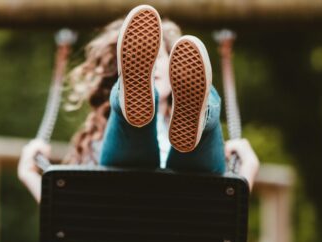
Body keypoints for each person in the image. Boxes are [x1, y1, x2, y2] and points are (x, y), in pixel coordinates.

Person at [18, 5, 259, 202]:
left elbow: (69, 219)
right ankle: (131, 108)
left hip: (179, 203)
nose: (152, 66)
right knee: (128, 133)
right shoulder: (96, 140)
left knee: (197, 143)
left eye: (157, 57)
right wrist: (247, 171)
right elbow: (72, 215)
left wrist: (247, 168)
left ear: (177, 66)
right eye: (143, 60)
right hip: (168, 207)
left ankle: (200, 115)